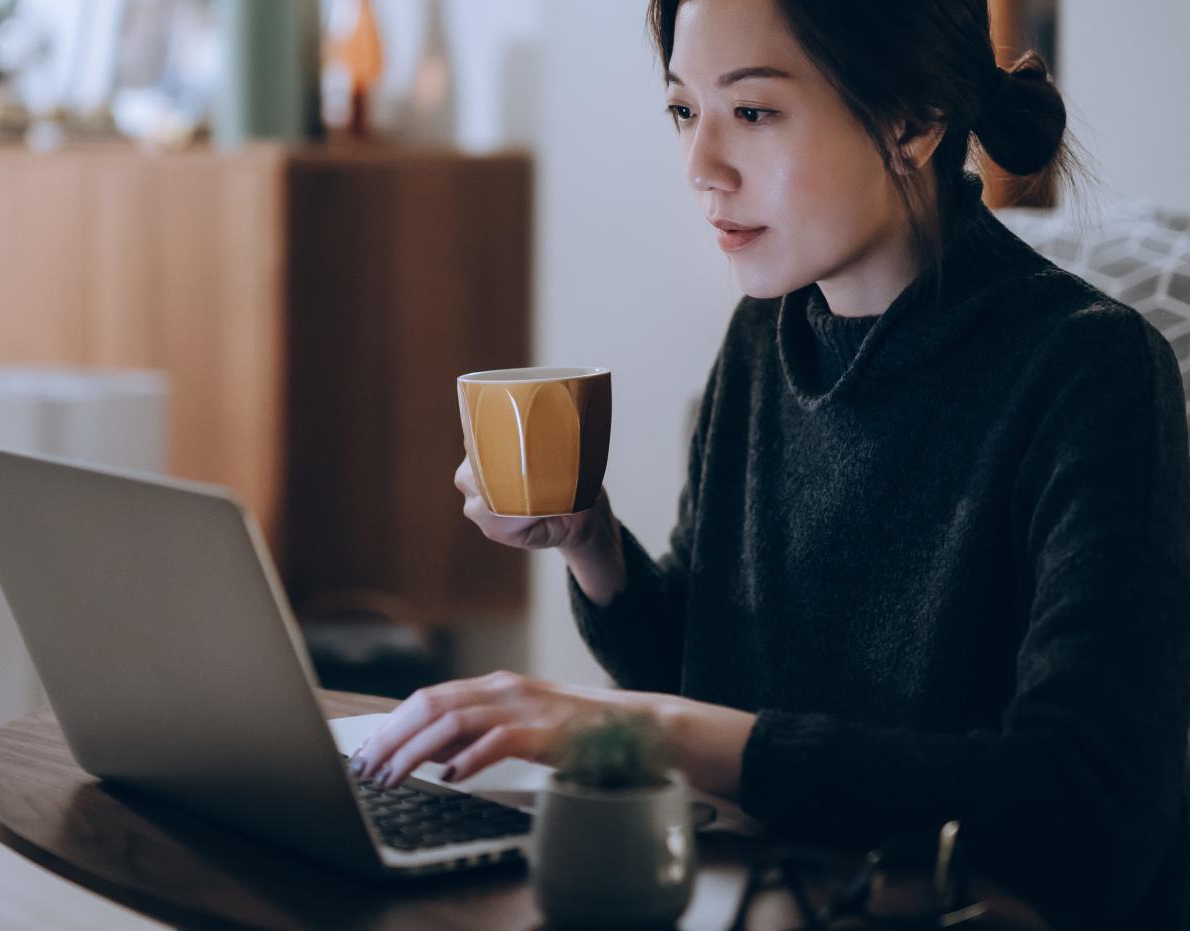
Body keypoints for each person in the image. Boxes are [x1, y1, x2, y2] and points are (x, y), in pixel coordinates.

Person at [349, 0, 1190, 926]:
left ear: (911, 121)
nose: (700, 166)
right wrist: (592, 541)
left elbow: (1090, 815)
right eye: (683, 110)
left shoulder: (1090, 370)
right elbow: (708, 676)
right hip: (769, 896)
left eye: (751, 112)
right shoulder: (766, 335)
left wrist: (647, 730)